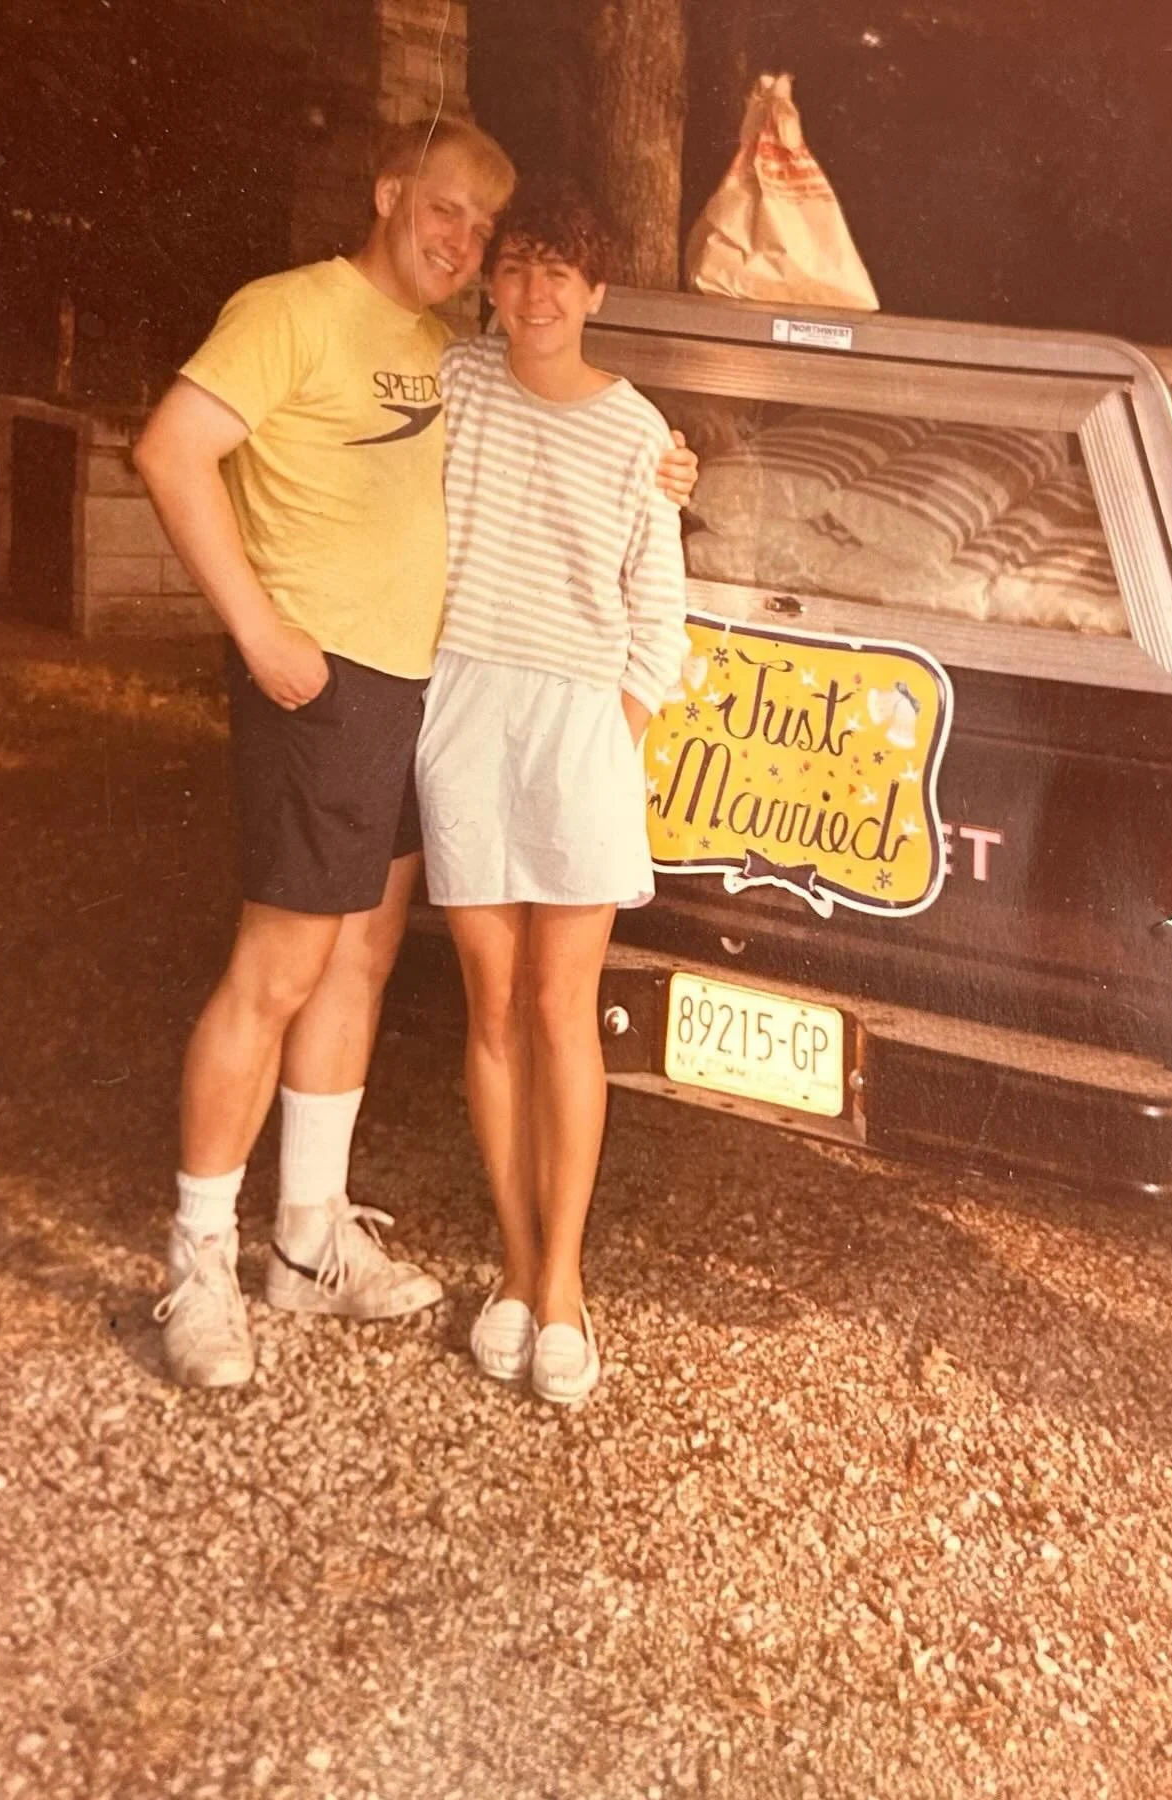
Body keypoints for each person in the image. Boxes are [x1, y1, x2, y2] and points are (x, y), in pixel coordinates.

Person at [133, 119, 696, 1388]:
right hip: (320, 682)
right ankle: (198, 1265)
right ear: (389, 193)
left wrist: (669, 461)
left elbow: (587, 447)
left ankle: (308, 1243)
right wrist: (259, 627)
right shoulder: (292, 310)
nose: (466, 246)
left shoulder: (451, 353)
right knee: (277, 967)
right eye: (446, 215)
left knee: (363, 963)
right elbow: (169, 454)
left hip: (418, 694)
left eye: (484, 235)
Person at [416, 179, 688, 1404]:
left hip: (581, 723)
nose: (536, 294)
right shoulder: (455, 382)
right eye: (516, 268)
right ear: (492, 281)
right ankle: (515, 1271)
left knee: (560, 1009)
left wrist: (613, 729)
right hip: (466, 706)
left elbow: (659, 614)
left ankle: (567, 1285)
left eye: (560, 274)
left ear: (596, 292)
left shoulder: (641, 434)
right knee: (489, 1008)